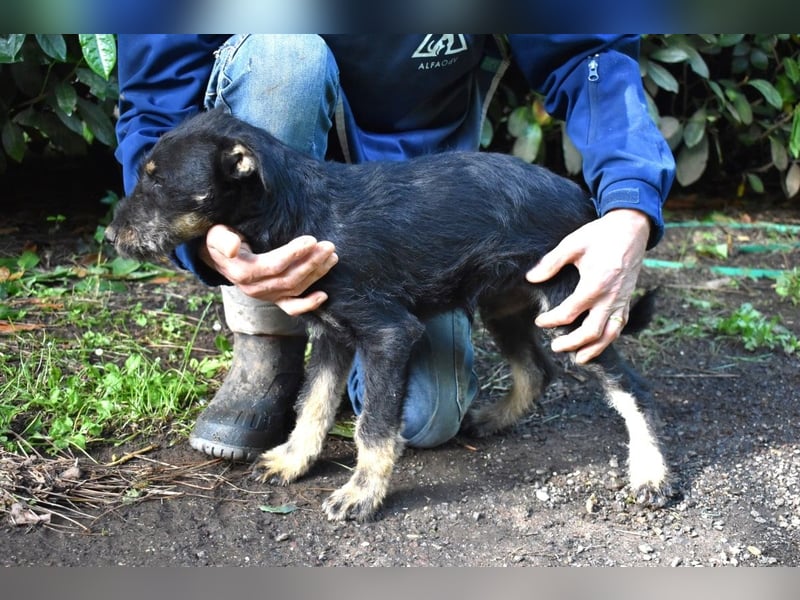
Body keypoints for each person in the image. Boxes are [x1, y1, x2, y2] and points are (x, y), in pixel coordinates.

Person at [115, 34, 675, 461]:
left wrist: (629, 203)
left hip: (427, 200)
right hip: (276, 181)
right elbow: (157, 105)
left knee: (424, 418)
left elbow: (587, 48)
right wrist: (211, 247)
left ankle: (543, 390)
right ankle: (267, 342)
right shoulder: (235, 162)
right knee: (283, 55)